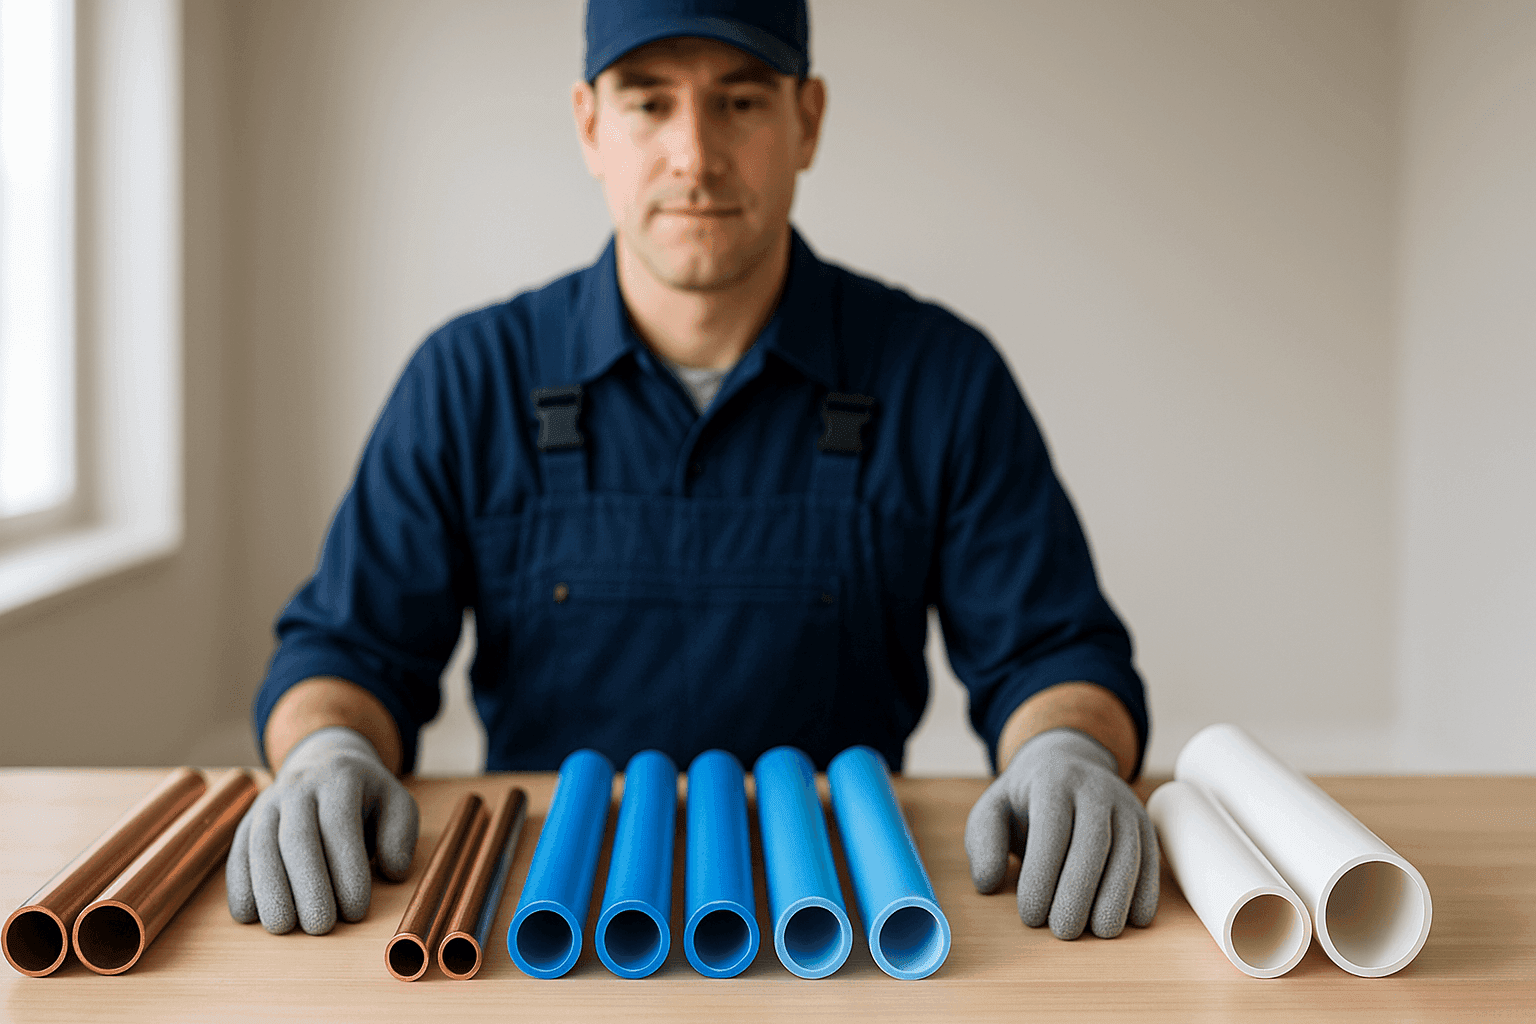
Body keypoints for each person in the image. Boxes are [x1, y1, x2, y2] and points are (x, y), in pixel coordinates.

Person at [226, 0, 1160, 948]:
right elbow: (347, 651)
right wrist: (325, 750)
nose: (696, 158)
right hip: (544, 926)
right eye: (649, 103)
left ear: (810, 120)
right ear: (591, 125)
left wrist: (1066, 749)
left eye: (742, 102)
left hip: (848, 926)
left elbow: (1053, 653)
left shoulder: (941, 376)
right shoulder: (469, 378)